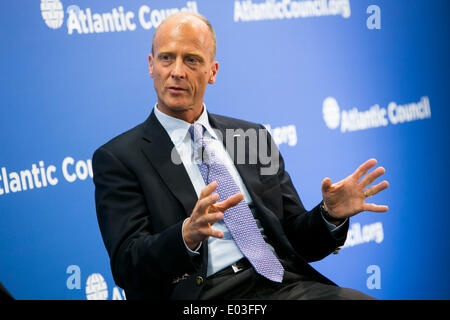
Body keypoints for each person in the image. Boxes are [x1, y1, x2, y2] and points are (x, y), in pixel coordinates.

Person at [92, 12, 389, 300]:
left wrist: (329, 215)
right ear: (151, 65)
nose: (177, 71)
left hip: (283, 283)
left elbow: (297, 240)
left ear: (212, 72)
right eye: (166, 57)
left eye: (192, 60)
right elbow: (127, 265)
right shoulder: (119, 158)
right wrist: (186, 236)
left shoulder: (252, 137)